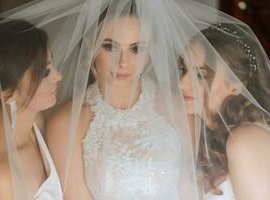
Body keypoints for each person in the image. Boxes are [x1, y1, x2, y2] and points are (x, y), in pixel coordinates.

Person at [46, 2, 184, 199]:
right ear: (89, 46)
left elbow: (190, 184)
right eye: (110, 47)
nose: (123, 62)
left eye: (136, 49)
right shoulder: (67, 121)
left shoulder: (175, 106)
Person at [0, 18, 63, 200]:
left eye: (52, 63)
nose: (58, 76)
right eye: (45, 72)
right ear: (7, 93)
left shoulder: (37, 122)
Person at [179, 23, 270, 199]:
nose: (182, 83)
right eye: (184, 70)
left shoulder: (246, 140)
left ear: (236, 85)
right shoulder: (210, 139)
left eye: (200, 75)